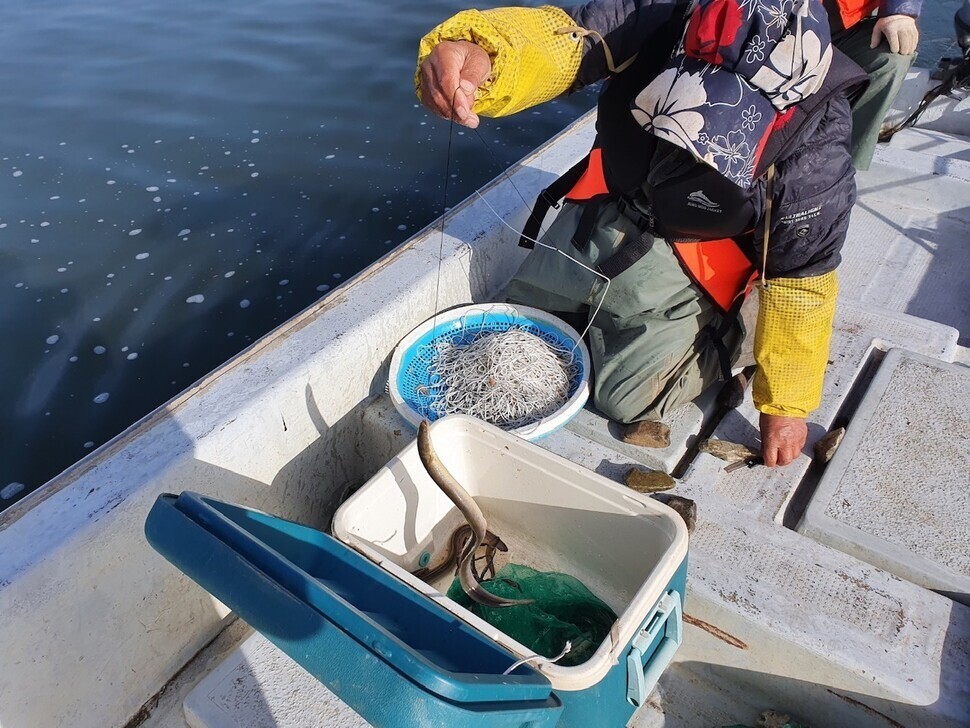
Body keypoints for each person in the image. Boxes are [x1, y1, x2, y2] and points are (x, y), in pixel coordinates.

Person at [416, 0, 867, 468]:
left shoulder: (818, 138)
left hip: (699, 256)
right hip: (611, 212)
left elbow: (802, 275)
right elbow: (570, 38)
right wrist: (483, 57)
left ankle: (735, 332)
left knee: (624, 397)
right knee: (521, 324)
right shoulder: (662, 11)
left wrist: (785, 408)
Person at [824, 0, 922, 169]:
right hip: (781, 23)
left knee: (891, 59)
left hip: (845, 24)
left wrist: (900, 11)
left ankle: (840, 170)